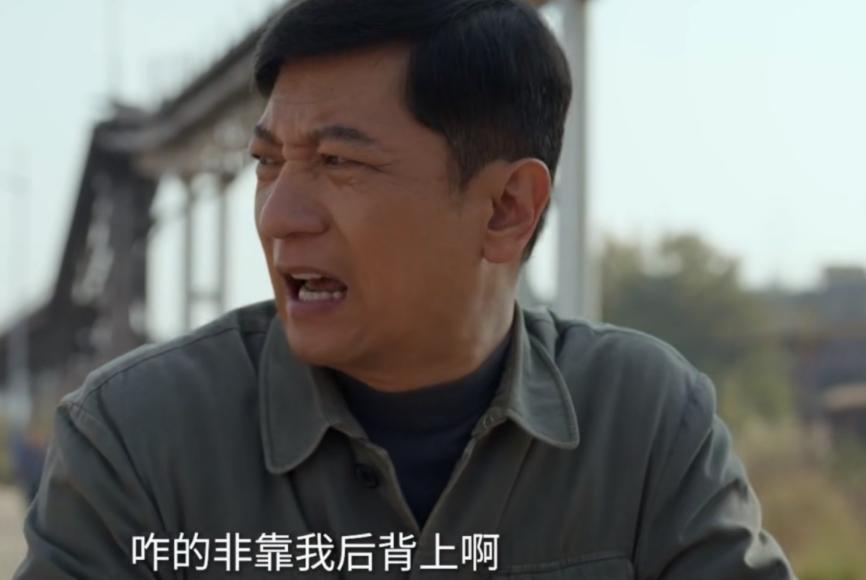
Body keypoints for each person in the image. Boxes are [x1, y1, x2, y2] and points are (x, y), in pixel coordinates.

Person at [16, 0, 795, 578]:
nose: (279, 216)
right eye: (268, 163)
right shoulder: (137, 438)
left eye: (339, 163)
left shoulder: (646, 424)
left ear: (507, 208)